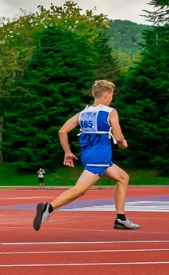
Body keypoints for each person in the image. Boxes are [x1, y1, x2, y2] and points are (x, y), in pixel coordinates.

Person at [32, 79, 137, 232]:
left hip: (89, 155)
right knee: (80, 189)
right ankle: (48, 207)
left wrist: (67, 152)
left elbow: (62, 131)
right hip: (99, 156)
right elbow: (119, 138)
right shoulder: (110, 112)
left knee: (123, 177)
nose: (112, 98)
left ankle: (121, 218)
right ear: (106, 95)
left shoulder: (83, 113)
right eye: (112, 95)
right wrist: (123, 144)